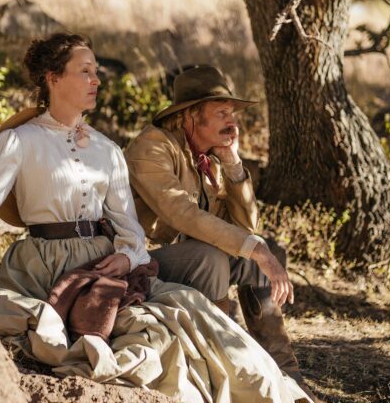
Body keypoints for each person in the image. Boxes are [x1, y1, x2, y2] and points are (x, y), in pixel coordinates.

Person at [0, 33, 311, 402]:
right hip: (45, 263)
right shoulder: (19, 141)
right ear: (53, 78)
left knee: (192, 311)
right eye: (84, 71)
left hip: (108, 264)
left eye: (97, 72)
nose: (96, 80)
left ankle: (276, 383)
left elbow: (129, 229)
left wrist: (127, 256)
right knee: (157, 332)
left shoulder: (106, 149)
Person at [124, 65, 319, 401]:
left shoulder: (210, 157)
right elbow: (182, 215)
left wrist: (232, 164)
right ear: (190, 116)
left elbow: (248, 229)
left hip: (197, 262)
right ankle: (225, 362)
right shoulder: (152, 147)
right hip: (144, 266)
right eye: (222, 112)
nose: (233, 122)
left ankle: (283, 369)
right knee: (216, 257)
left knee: (268, 250)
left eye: (233, 112)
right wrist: (254, 248)